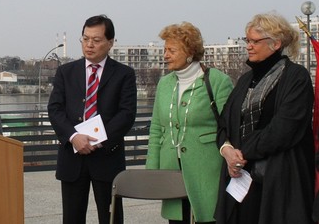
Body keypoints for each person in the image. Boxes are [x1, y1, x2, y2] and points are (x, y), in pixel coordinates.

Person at [216, 12, 315, 224]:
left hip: (279, 179)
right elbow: (224, 122)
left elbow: (284, 128)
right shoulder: (245, 79)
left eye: (254, 41)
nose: (248, 46)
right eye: (247, 40)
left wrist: (242, 153)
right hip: (240, 178)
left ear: (275, 43)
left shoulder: (296, 77)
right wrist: (227, 151)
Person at [48, 14, 137, 224]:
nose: (89, 45)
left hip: (107, 157)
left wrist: (97, 140)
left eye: (96, 40)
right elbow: (55, 109)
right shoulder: (65, 72)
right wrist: (74, 136)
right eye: (85, 39)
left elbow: (126, 114)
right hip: (72, 156)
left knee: (111, 218)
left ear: (110, 42)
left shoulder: (124, 74)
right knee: (72, 217)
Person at [145, 22, 233, 224]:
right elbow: (157, 129)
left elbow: (228, 126)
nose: (165, 55)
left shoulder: (218, 81)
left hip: (206, 170)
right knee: (177, 220)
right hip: (171, 169)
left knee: (207, 218)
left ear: (190, 52)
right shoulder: (164, 84)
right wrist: (152, 171)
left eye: (172, 50)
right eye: (164, 49)